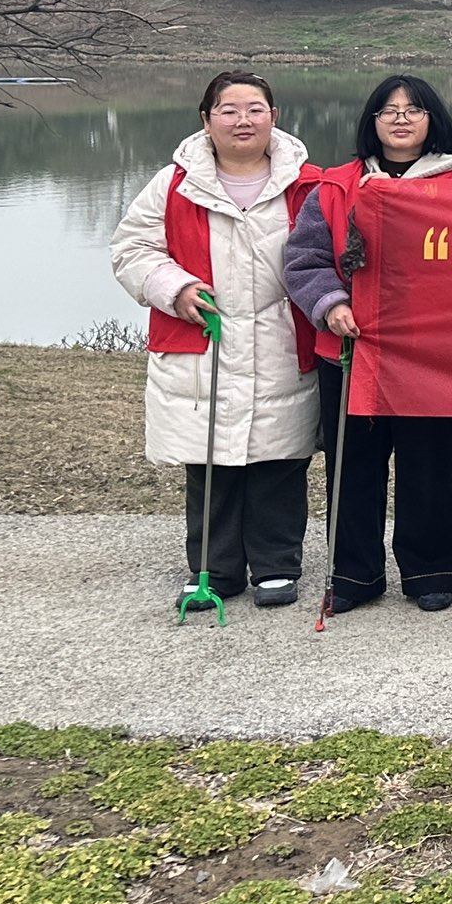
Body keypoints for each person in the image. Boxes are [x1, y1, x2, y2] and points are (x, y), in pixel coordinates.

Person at [109, 72, 322, 608]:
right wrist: (173, 288)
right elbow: (132, 249)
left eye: (255, 108)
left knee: (279, 459)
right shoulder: (174, 183)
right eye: (228, 110)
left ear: (275, 116)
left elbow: (334, 247)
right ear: (206, 120)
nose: (242, 120)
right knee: (211, 464)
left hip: (280, 337)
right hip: (206, 339)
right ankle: (213, 569)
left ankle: (276, 565)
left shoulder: (309, 183)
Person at [281, 75, 452, 613]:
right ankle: (354, 575)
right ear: (371, 123)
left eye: (414, 109)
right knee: (353, 464)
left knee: (429, 461)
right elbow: (304, 260)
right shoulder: (338, 187)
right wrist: (330, 305)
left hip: (430, 353)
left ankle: (432, 569)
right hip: (349, 349)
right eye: (388, 111)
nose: (401, 119)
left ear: (434, 119)